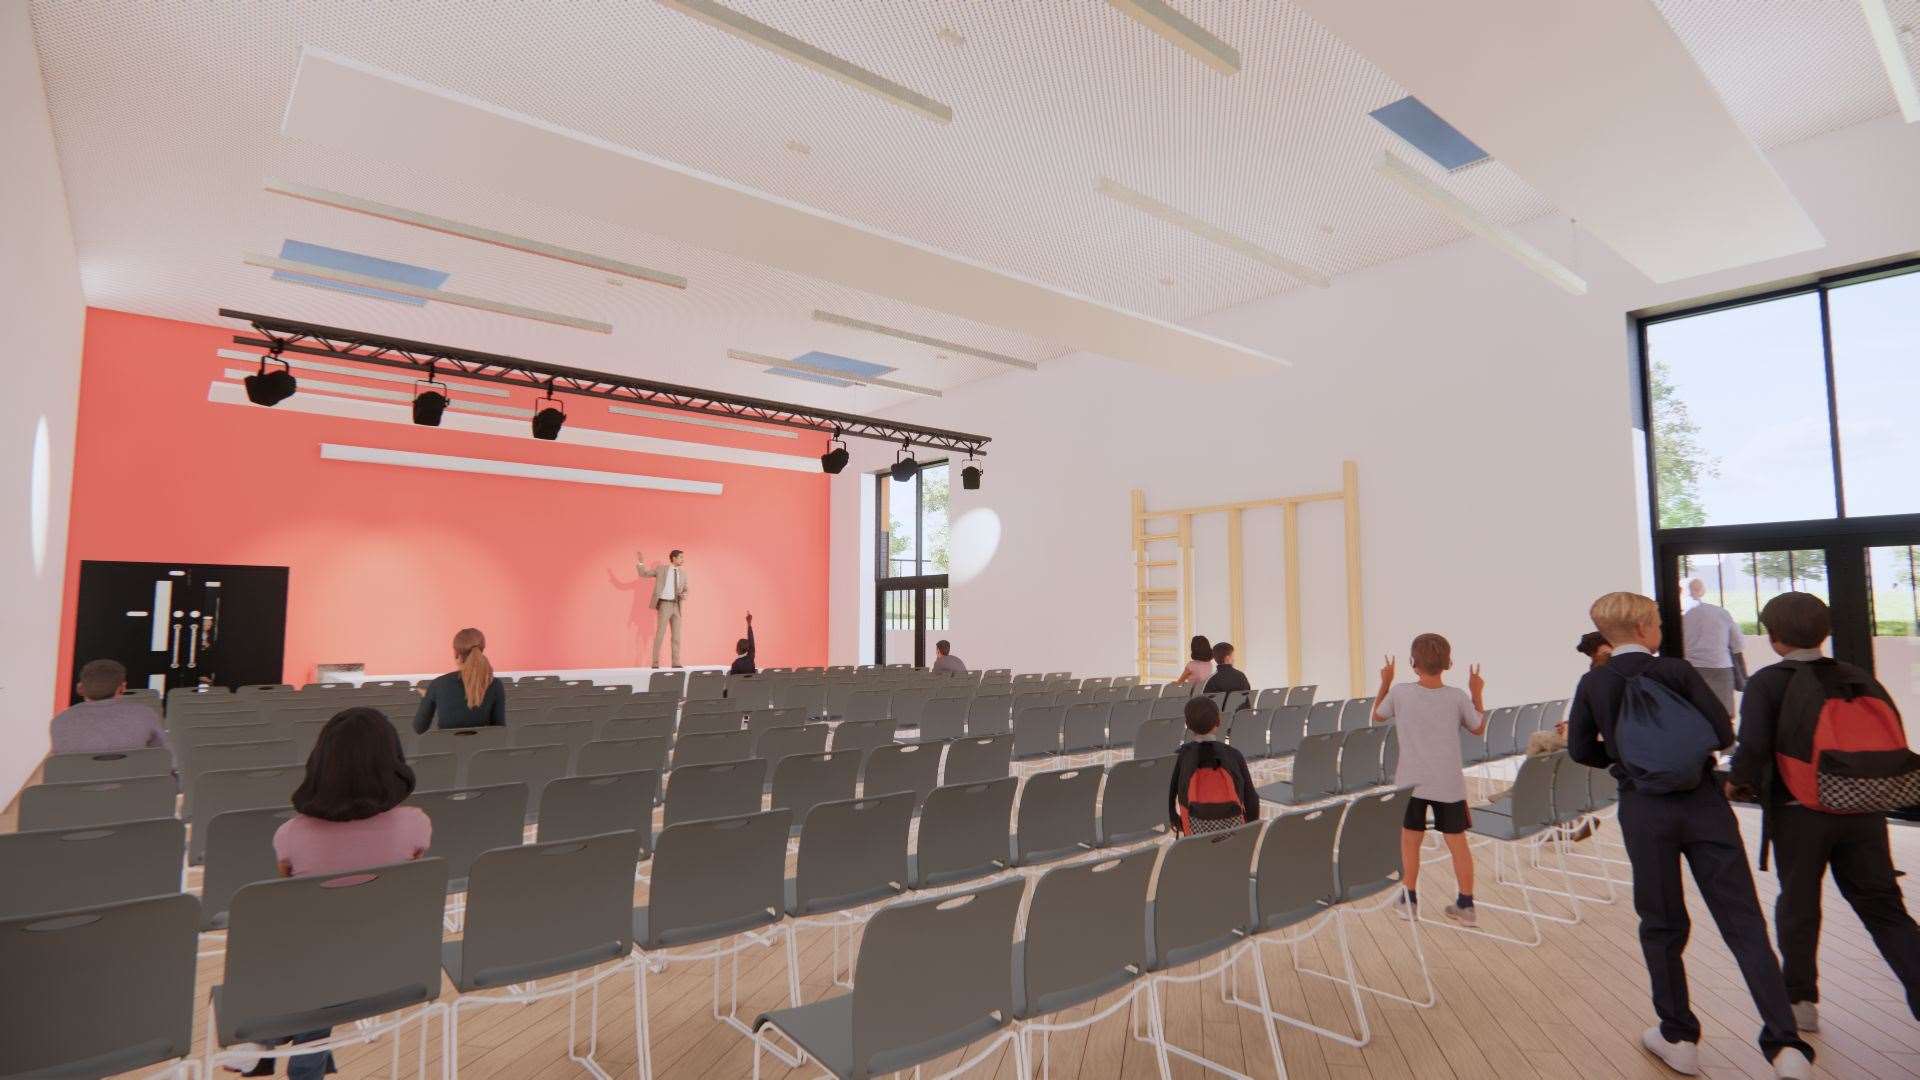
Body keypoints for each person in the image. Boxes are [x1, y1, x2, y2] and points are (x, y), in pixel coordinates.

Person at [1569, 591, 1811, 1078]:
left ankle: (1678, 1036)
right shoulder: (1677, 672)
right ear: (1643, 630)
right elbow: (1723, 732)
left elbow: (1578, 749)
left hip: (1644, 809)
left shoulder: (1594, 682)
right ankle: (1785, 1046)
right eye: (1658, 622)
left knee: (1661, 923)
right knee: (1743, 921)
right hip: (1703, 803)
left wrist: (1625, 763)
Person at [1726, 592, 1920, 1031]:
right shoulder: (1857, 677)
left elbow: (1752, 750)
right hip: (1863, 807)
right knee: (1884, 907)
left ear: (1774, 638)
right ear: (1825, 632)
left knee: (1798, 903)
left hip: (1800, 812)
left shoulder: (1768, 682)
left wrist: (1735, 782)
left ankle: (1800, 1001)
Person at [233, 707, 432, 1079]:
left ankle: (270, 1039)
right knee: (337, 945)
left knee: (303, 940)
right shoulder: (416, 826)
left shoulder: (291, 835)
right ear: (393, 763)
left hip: (313, 968)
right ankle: (284, 1049)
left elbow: (291, 898)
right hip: (392, 960)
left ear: (320, 764)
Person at [1372, 635, 1485, 927]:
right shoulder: (1458, 696)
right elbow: (1477, 727)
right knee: (1457, 843)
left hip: (1411, 782)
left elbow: (1377, 716)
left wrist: (1385, 680)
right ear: (1449, 663)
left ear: (1413, 663)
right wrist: (1476, 692)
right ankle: (1466, 904)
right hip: (1449, 783)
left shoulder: (1400, 692)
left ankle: (1409, 899)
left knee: (1410, 841)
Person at [49, 658, 175, 769]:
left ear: (80, 688)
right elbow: (167, 759)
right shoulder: (145, 714)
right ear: (123, 688)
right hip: (134, 792)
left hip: (77, 795)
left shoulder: (60, 721)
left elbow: (63, 769)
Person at [1167, 696, 1259, 835]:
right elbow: (1251, 798)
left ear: (1187, 724)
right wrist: (1248, 827)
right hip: (1233, 832)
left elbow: (1170, 795)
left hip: (1193, 833)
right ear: (1219, 721)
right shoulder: (1234, 755)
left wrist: (1175, 820)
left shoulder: (1180, 756)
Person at [412, 628, 506, 734]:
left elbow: (419, 728)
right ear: (482, 650)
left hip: (447, 749)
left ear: (456, 653)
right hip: (483, 747)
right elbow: (499, 729)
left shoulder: (438, 685)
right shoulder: (496, 685)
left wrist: (428, 697)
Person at [1682, 578, 1744, 716]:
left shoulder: (1685, 615)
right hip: (1721, 666)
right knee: (1723, 711)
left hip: (1692, 667)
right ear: (1703, 590)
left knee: (1697, 711)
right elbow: (1738, 644)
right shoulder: (1721, 612)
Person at [636, 549, 690, 668]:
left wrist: (684, 595)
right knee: (660, 634)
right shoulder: (661, 569)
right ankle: (655, 663)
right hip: (664, 605)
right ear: (674, 558)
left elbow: (686, 590)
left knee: (677, 636)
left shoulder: (683, 574)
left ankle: (676, 663)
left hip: (677, 606)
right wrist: (640, 563)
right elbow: (644, 574)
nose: (682, 559)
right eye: (680, 557)